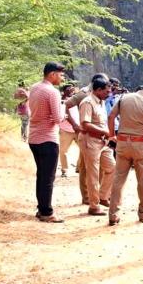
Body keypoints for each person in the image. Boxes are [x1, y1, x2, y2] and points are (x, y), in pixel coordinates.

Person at [107, 78, 143, 226]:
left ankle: (113, 214)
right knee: (142, 181)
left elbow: (111, 116)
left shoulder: (123, 98)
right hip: (140, 145)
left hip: (122, 143)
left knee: (118, 179)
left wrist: (112, 135)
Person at [27, 63, 66, 223]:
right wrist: (63, 107)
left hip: (34, 137)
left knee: (41, 175)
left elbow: (31, 110)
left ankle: (41, 208)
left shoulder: (34, 88)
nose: (62, 77)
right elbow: (58, 119)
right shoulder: (52, 92)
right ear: (52, 74)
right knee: (48, 177)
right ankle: (47, 212)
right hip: (48, 138)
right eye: (60, 74)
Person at [64, 73, 109, 204]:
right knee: (86, 168)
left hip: (100, 138)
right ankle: (87, 197)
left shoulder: (101, 97)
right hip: (87, 136)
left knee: (101, 168)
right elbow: (66, 105)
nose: (108, 90)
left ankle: (98, 195)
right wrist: (74, 125)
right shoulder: (84, 96)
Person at [78, 77, 116, 215]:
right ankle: (94, 206)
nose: (109, 93)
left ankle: (103, 196)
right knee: (93, 173)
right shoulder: (87, 102)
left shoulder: (101, 102)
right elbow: (85, 124)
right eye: (106, 91)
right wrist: (105, 132)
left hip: (102, 142)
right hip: (90, 141)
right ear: (98, 90)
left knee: (113, 168)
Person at [58, 84, 79, 178]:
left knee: (84, 150)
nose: (71, 90)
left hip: (78, 129)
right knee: (63, 151)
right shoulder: (61, 101)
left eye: (72, 88)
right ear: (64, 91)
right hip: (66, 129)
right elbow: (65, 114)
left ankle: (79, 167)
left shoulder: (76, 100)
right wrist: (74, 124)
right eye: (69, 89)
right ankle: (64, 170)